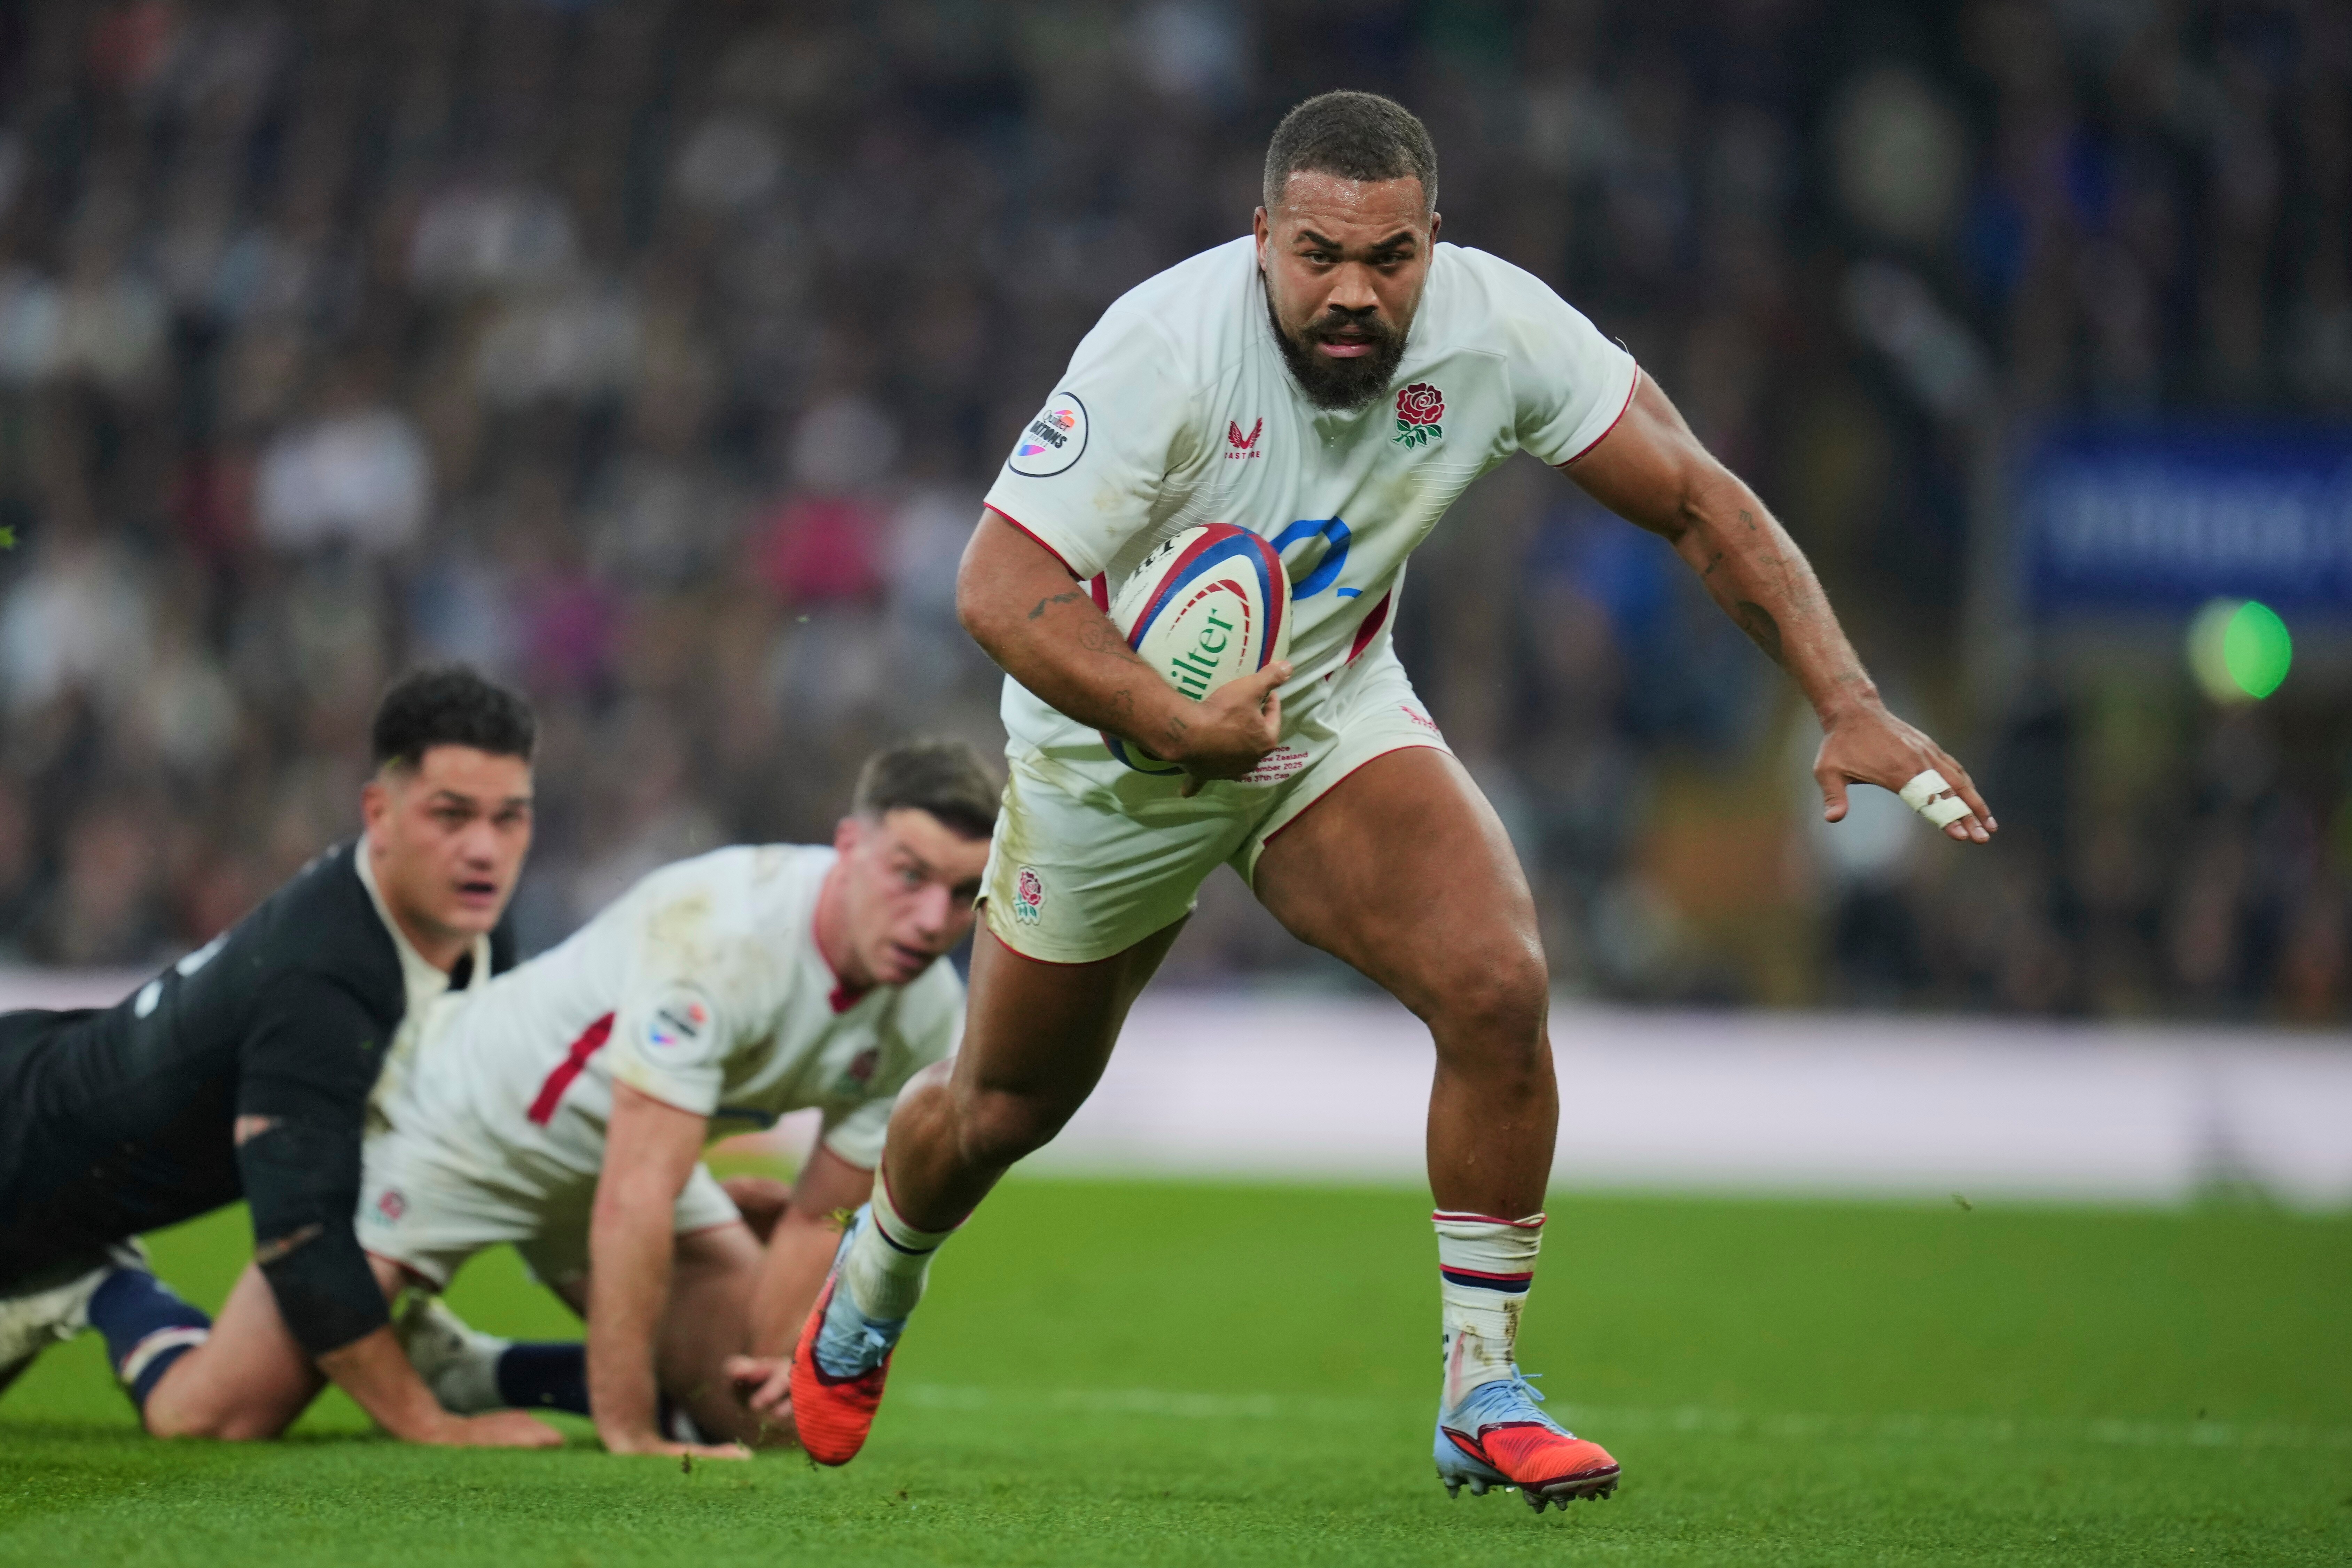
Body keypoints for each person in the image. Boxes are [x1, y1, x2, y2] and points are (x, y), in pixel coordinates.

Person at [782, 91, 1999, 1510]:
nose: (1355, 292)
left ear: (1435, 242)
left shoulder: (1500, 330)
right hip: (1109, 764)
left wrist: (1844, 695)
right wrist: (1176, 717)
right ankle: (869, 1283)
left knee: (1495, 984)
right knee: (1003, 1108)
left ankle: (1482, 1388)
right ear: (1261, 242)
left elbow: (1698, 500)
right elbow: (998, 587)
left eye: (1391, 258)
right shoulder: (1163, 348)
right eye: (1318, 257)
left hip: (1324, 717)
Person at [359, 740, 995, 1456]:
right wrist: (628, 1427)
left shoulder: (928, 1011)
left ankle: (477, 1370)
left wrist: (775, 1358)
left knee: (773, 1422)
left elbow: (821, 1214)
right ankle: (198, 1331)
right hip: (466, 1121)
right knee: (231, 1406)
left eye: (962, 890)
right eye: (910, 875)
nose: (933, 920)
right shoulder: (725, 936)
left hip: (624, 1159)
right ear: (850, 844)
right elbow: (638, 1193)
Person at [0, 666, 555, 1448]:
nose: (484, 849)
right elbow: (300, 1238)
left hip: (52, 1130)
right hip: (15, 1151)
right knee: (211, 1415)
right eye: (452, 814)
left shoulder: (470, 931)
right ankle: (97, 1287)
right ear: (379, 813)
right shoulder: (321, 979)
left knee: (220, 1413)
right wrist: (428, 1424)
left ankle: (83, 1277)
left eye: (510, 818)